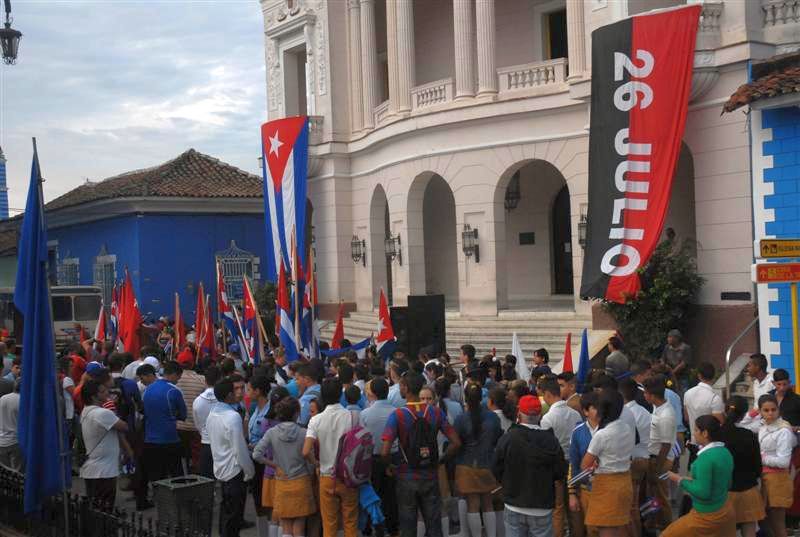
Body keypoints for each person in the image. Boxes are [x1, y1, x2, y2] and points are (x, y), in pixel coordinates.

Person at [381, 371, 462, 537]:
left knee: (408, 525)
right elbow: (456, 442)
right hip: (430, 474)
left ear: (405, 388)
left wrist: (389, 466)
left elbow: (384, 451)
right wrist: (441, 460)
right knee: (434, 524)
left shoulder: (397, 415)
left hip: (406, 475)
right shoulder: (435, 412)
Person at [493, 394, 565, 537]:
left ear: (519, 413)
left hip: (514, 504)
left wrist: (507, 483)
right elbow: (560, 472)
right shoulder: (551, 441)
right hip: (542, 506)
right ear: (540, 415)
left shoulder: (508, 438)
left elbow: (496, 467)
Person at [303, 377, 359, 537]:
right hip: (349, 476)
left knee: (329, 524)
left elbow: (306, 451)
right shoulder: (353, 417)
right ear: (340, 393)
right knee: (350, 521)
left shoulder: (315, 420)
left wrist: (317, 464)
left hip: (327, 476)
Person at [663, 415, 735, 537]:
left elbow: (703, 492)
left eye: (696, 430)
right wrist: (690, 480)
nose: (694, 433)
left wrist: (679, 479)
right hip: (725, 510)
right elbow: (727, 483)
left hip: (706, 515)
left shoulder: (705, 458)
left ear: (705, 433)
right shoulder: (725, 452)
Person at [254, 397, 316, 537]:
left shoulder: (272, 432)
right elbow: (309, 457)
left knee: (286, 526)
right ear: (296, 413)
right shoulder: (303, 432)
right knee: (299, 526)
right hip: (301, 481)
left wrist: (274, 465)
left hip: (282, 482)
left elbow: (257, 454)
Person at [581, 389, 634, 537]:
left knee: (606, 530)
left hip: (607, 485)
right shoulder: (627, 428)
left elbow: (585, 464)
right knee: (618, 527)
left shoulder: (602, 435)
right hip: (625, 481)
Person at [207, 377, 256, 537]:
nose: (239, 392)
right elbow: (239, 448)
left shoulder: (212, 414)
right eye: (235, 390)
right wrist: (249, 470)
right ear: (229, 395)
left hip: (221, 468)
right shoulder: (231, 416)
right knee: (233, 516)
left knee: (226, 512)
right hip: (234, 470)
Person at [136, 360, 187, 510]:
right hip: (170, 438)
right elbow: (182, 414)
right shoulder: (174, 391)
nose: (178, 380)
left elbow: (144, 412)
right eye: (178, 377)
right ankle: (180, 503)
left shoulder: (147, 390)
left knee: (156, 475)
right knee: (177, 473)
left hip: (150, 440)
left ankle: (161, 502)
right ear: (173, 374)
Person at [454, 384, 503, 537]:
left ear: (466, 399)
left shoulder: (461, 418)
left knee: (473, 504)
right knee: (488, 503)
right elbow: (497, 438)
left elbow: (456, 442)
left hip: (467, 464)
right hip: (488, 463)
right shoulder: (493, 417)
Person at [80, 379, 132, 510]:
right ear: (94, 396)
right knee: (104, 508)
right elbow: (124, 426)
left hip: (93, 469)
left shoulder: (87, 411)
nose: (107, 393)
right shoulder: (102, 413)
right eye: (103, 391)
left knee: (96, 506)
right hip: (104, 471)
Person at [540, 377, 582, 537]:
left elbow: (546, 447)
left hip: (556, 466)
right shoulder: (575, 415)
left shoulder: (548, 418)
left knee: (558, 508)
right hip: (573, 464)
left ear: (549, 394)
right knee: (574, 505)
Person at [720, 396, 763, 537]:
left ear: (725, 411)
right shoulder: (748, 435)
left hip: (725, 491)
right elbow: (758, 465)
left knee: (727, 529)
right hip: (748, 488)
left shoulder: (717, 434)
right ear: (744, 415)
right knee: (749, 526)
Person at [360, 378, 399, 537]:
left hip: (372, 459)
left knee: (372, 495)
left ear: (372, 393)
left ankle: (371, 527)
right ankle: (392, 528)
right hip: (393, 457)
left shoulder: (365, 414)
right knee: (391, 496)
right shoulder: (396, 411)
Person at [758, 393, 796, 537]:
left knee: (778, 523)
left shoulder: (783, 430)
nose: (770, 413)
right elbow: (742, 422)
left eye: (773, 410)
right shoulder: (762, 425)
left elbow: (783, 461)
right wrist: (753, 412)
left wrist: (762, 457)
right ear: (760, 411)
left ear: (778, 409)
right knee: (766, 521)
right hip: (765, 477)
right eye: (766, 410)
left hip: (778, 478)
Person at [642, 375, 676, 531]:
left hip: (661, 459)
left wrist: (657, 466)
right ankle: (655, 521)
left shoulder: (666, 415)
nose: (644, 396)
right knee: (654, 493)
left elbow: (666, 445)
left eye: (645, 393)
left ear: (652, 395)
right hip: (654, 457)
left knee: (661, 495)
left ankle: (668, 525)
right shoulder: (658, 408)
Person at [619, 378, 651, 537]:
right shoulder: (644, 411)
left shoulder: (627, 414)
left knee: (631, 507)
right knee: (636, 504)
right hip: (645, 458)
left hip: (634, 461)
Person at [568, 392, 601, 537]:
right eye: (595, 408)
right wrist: (572, 493)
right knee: (591, 529)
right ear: (585, 411)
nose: (600, 411)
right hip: (586, 489)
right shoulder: (578, 432)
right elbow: (573, 464)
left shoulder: (610, 429)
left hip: (607, 487)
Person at [682, 362, 724, 467]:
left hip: (694, 440)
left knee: (692, 473)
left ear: (699, 375)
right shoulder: (715, 398)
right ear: (714, 376)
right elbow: (719, 422)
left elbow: (686, 417)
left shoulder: (687, 393)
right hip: (709, 444)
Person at [175, 352, 205, 473]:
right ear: (193, 363)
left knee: (179, 458)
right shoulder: (202, 380)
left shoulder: (174, 380)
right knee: (196, 458)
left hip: (178, 426)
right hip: (195, 427)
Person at [192, 365, 220, 479]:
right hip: (221, 443)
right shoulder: (224, 398)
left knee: (207, 479)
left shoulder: (198, 401)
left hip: (205, 442)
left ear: (205, 380)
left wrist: (204, 433)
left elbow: (197, 424)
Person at [0, 380, 22, 472]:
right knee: (17, 472)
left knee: (5, 473)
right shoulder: (23, 400)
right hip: (16, 441)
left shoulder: (2, 398)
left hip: (1, 440)